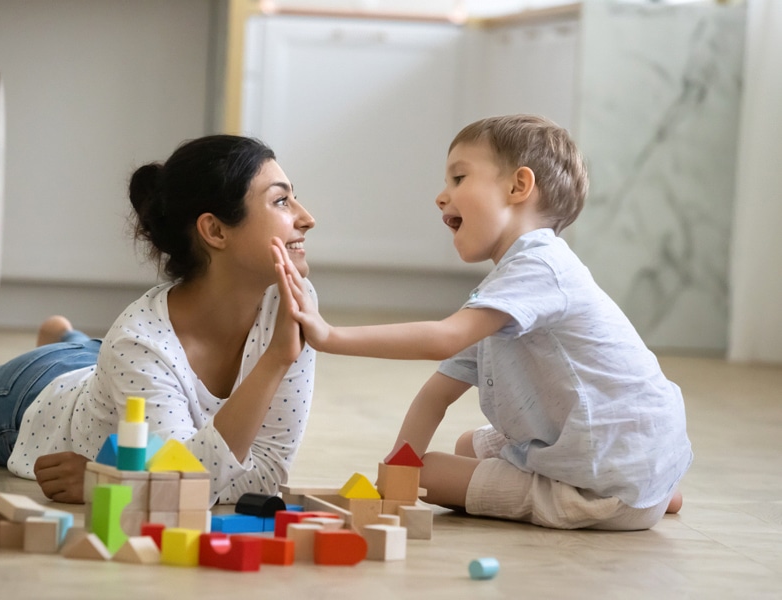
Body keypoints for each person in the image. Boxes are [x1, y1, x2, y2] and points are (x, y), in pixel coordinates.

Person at [274, 114, 692, 530]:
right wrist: (394, 473)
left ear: (518, 187)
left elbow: (442, 339)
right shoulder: (506, 291)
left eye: (458, 178)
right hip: (633, 454)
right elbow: (435, 396)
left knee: (431, 475)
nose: (441, 196)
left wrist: (330, 335)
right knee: (465, 446)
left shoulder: (540, 265)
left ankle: (624, 502)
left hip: (601, 478)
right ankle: (652, 494)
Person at [0, 134, 317, 506]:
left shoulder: (291, 303)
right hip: (32, 403)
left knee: (114, 368)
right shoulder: (139, 341)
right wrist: (276, 360)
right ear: (215, 231)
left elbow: (266, 479)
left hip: (104, 370)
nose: (306, 218)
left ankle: (65, 338)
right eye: (281, 200)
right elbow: (186, 484)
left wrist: (114, 480)